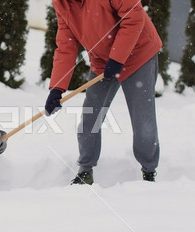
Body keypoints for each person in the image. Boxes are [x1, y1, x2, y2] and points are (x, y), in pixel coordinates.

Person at [44, 0, 161, 184]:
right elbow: (66, 45)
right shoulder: (62, 3)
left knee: (142, 119)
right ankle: (85, 169)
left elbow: (134, 16)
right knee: (91, 115)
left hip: (138, 53)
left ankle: (149, 170)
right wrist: (57, 88)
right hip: (103, 61)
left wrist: (117, 57)